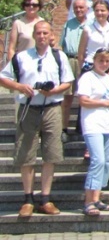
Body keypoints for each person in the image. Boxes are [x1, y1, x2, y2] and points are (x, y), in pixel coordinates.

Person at [0, 21, 73, 217]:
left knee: (51, 154)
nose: (42, 36)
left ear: (51, 35)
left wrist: (54, 91)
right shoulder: (22, 57)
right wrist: (20, 87)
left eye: (45, 33)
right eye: (38, 33)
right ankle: (28, 199)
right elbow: (3, 77)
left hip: (52, 108)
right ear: (34, 35)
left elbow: (67, 81)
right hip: (28, 108)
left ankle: (45, 198)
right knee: (26, 155)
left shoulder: (59, 56)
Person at [76, 48, 109, 216]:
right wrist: (105, 103)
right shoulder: (88, 77)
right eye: (101, 60)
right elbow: (84, 100)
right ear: (94, 61)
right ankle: (88, 201)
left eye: (107, 61)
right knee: (98, 160)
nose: (104, 64)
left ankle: (97, 197)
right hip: (93, 123)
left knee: (107, 162)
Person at [59, 0, 90, 140]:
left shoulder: (91, 25)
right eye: (76, 7)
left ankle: (84, 129)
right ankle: (63, 128)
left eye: (81, 7)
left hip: (86, 62)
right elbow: (61, 45)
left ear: (87, 8)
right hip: (70, 60)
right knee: (67, 97)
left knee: (86, 97)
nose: (78, 10)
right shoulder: (68, 24)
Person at [77, 0, 109, 69]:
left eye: (102, 10)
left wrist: (107, 66)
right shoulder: (87, 29)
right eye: (97, 11)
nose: (99, 13)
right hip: (90, 65)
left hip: (108, 67)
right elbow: (81, 54)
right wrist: (80, 69)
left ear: (108, 11)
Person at [5, 0, 44, 65]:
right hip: (22, 63)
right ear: (24, 6)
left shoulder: (43, 23)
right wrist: (13, 66)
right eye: (27, 4)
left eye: (34, 5)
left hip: (39, 63)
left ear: (39, 7)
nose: (31, 7)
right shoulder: (18, 23)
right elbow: (11, 48)